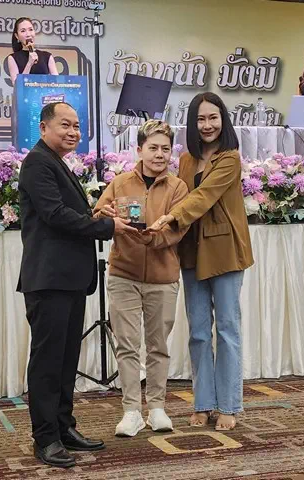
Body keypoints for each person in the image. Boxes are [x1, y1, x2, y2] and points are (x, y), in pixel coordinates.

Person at [17, 102, 137, 468]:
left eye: (77, 126)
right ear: (43, 128)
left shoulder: (57, 162)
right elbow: (54, 215)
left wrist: (95, 214)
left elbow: (66, 214)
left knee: (67, 359)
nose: (73, 132)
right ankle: (45, 438)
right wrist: (105, 226)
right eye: (65, 125)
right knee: (48, 361)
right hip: (50, 279)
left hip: (68, 278)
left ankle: (63, 426)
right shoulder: (37, 163)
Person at [149, 92, 254, 432]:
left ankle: (229, 405)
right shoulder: (185, 159)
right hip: (191, 250)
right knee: (197, 331)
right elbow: (175, 193)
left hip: (225, 251)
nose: (207, 125)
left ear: (223, 120)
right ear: (192, 123)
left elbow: (204, 196)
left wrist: (171, 217)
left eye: (213, 118)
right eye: (200, 119)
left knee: (226, 329)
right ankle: (203, 402)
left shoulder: (230, 158)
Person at [93, 120, 190, 437]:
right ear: (139, 150)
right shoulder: (120, 183)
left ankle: (157, 407)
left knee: (158, 346)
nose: (159, 154)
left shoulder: (178, 187)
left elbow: (179, 228)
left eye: (165, 149)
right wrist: (107, 217)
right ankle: (131, 411)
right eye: (153, 148)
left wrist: (151, 237)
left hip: (163, 278)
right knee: (127, 346)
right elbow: (97, 214)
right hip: (123, 275)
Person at [7, 17, 58, 85]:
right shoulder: (13, 58)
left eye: (31, 30)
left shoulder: (47, 56)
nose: (28, 34)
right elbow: (17, 86)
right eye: (23, 31)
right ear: (17, 36)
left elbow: (57, 83)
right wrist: (29, 63)